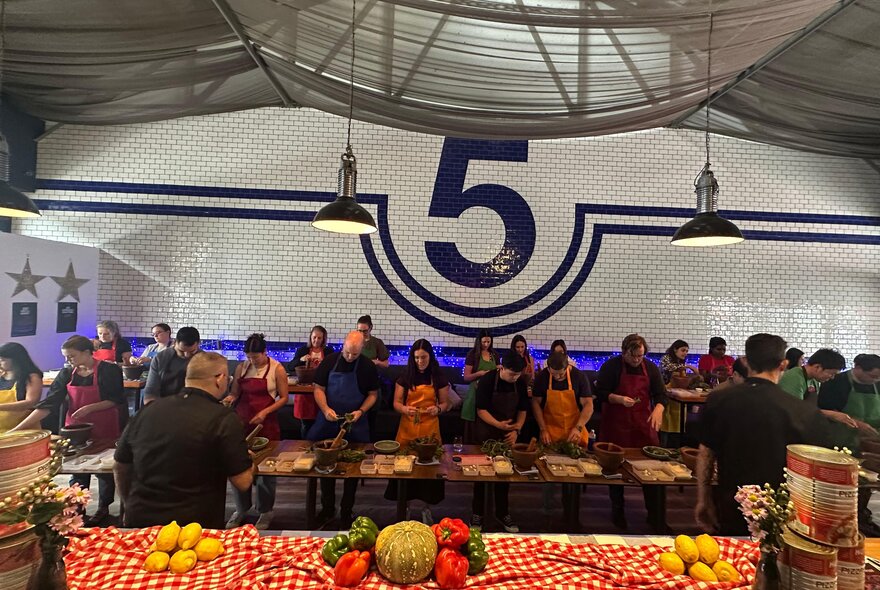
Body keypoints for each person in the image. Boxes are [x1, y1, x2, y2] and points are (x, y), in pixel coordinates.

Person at [695, 333, 834, 535]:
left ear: (745, 361)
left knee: (735, 560)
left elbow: (706, 454)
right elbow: (816, 472)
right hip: (786, 511)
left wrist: (703, 499)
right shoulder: (805, 413)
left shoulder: (719, 400)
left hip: (732, 504)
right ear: (783, 364)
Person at [114, 352, 254, 529]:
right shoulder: (224, 418)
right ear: (220, 378)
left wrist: (128, 503)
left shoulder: (148, 411)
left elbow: (120, 465)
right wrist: (248, 460)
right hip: (195, 526)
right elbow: (243, 482)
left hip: (141, 519)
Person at [44, 336, 126, 526]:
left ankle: (103, 508)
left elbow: (116, 399)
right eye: (66, 357)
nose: (68, 361)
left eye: (71, 356)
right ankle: (76, 508)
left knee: (104, 470)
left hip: (105, 425)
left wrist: (90, 408)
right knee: (77, 468)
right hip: (75, 427)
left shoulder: (108, 370)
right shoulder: (66, 373)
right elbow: (51, 402)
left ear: (87, 352)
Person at [594, 334, 667, 529]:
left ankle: (656, 517)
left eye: (640, 356)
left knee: (652, 471)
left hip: (643, 425)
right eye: (633, 356)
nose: (637, 360)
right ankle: (618, 512)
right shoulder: (611, 367)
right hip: (616, 425)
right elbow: (600, 393)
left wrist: (659, 408)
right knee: (615, 470)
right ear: (624, 352)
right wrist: (618, 399)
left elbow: (661, 394)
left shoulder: (650, 368)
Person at [310, 331, 380, 527]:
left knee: (352, 469)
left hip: (355, 423)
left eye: (355, 354)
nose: (350, 357)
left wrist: (361, 411)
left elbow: (373, 394)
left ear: (361, 350)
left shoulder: (367, 367)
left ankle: (346, 511)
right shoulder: (329, 361)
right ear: (343, 346)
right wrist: (325, 409)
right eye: (348, 353)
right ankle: (327, 508)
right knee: (326, 465)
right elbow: (318, 389)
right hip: (328, 420)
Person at [223, 334, 289, 530]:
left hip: (265, 425)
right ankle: (241, 509)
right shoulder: (241, 368)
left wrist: (265, 412)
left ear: (264, 352)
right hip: (241, 423)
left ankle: (266, 511)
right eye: (249, 356)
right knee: (239, 466)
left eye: (256, 357)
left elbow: (284, 398)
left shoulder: (277, 369)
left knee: (265, 470)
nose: (252, 360)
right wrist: (229, 399)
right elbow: (235, 393)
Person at [384, 339, 450, 524]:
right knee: (406, 470)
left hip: (430, 430)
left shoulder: (438, 377)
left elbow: (446, 403)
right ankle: (405, 508)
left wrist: (438, 409)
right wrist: (404, 409)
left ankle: (425, 510)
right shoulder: (405, 376)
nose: (420, 361)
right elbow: (396, 402)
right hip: (408, 428)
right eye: (417, 358)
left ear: (430, 356)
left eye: (424, 357)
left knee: (429, 472)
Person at [817, 354, 880, 533]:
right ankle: (841, 522)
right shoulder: (836, 383)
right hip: (842, 441)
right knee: (844, 484)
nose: (875, 380)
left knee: (868, 483)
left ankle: (861, 515)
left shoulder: (878, 384)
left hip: (871, 443)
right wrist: (857, 423)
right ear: (858, 368)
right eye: (872, 376)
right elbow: (824, 411)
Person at [469, 353, 528, 533]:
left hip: (507, 435)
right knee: (481, 475)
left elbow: (523, 409)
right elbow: (480, 410)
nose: (514, 378)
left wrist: (516, 429)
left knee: (505, 475)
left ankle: (503, 513)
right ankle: (477, 514)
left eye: (517, 375)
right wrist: (498, 424)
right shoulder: (488, 380)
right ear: (501, 368)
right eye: (511, 374)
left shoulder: (520, 382)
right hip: (486, 431)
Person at [778, 348, 855, 429]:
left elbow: (810, 408)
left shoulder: (815, 380)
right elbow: (796, 409)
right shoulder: (794, 377)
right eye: (831, 373)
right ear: (817, 367)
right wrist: (832, 415)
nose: (832, 378)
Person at [531, 351, 593, 446]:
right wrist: (543, 429)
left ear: (567, 367)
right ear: (548, 368)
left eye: (561, 374)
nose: (557, 377)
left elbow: (588, 405)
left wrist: (578, 427)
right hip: (550, 432)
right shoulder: (542, 377)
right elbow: (535, 403)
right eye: (553, 374)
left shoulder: (579, 377)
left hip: (575, 431)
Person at [290, 325, 334, 438]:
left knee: (322, 423)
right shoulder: (302, 350)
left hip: (323, 391)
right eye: (314, 337)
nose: (316, 340)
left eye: (319, 338)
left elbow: (334, 368)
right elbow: (290, 366)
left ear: (324, 339)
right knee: (306, 424)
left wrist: (324, 363)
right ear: (310, 337)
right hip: (305, 393)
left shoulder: (329, 351)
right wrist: (301, 359)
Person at [142, 326, 202, 404]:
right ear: (175, 343)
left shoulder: (205, 360)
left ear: (198, 344)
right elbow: (151, 391)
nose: (186, 355)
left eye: (192, 351)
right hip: (165, 404)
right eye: (181, 351)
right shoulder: (161, 358)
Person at [658, 340, 700, 446]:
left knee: (678, 424)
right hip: (666, 394)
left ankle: (676, 446)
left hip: (678, 395)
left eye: (686, 351)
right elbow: (668, 368)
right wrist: (688, 367)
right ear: (675, 349)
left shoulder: (680, 362)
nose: (685, 353)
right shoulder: (666, 358)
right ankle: (663, 445)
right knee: (666, 423)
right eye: (683, 350)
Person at [462, 329, 501, 439]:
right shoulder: (472, 354)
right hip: (475, 391)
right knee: (473, 426)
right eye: (484, 342)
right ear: (479, 341)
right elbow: (466, 377)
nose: (486, 344)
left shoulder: (494, 354)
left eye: (488, 342)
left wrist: (499, 369)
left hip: (490, 393)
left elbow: (499, 371)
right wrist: (480, 373)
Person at [0, 343, 43, 432]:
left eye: (3, 360)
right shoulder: (1, 376)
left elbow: (30, 402)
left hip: (23, 431)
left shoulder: (32, 377)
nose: (0, 362)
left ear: (15, 359)